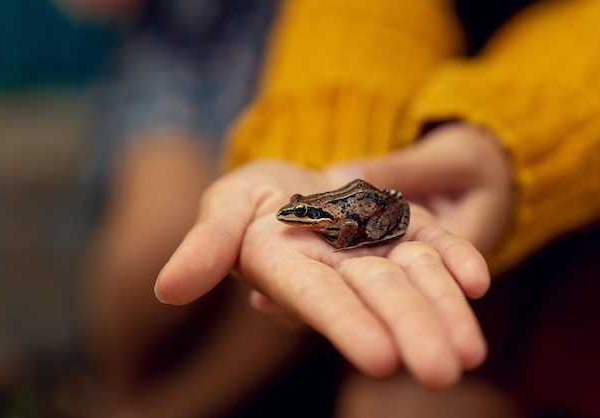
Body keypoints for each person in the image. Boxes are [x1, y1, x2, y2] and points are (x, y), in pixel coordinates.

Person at [156, 0, 600, 416]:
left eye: (304, 215)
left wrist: (509, 138)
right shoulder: (313, 210)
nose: (297, 218)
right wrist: (322, 140)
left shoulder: (334, 223)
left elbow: (350, 225)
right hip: (416, 137)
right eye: (300, 211)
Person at [66, 1, 319, 417]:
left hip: (305, 67)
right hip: (182, 55)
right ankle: (119, 394)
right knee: (156, 243)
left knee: (283, 274)